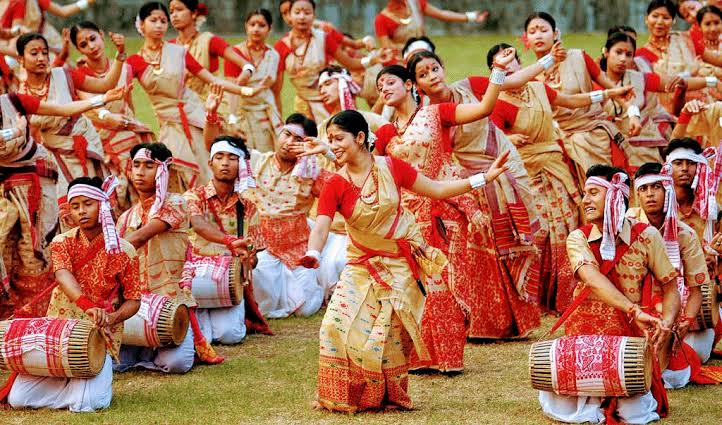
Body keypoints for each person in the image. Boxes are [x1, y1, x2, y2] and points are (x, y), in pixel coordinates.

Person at [298, 109, 509, 412]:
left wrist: (482, 179)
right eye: (330, 139)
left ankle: (386, 397)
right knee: (333, 326)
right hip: (361, 265)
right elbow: (321, 224)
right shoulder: (335, 183)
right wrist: (314, 252)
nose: (334, 145)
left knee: (388, 337)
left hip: (400, 264)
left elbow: (436, 189)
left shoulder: (391, 167)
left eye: (339, 138)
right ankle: (342, 394)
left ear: (360, 138)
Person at [385, 54, 541, 345]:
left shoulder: (443, 108)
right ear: (414, 84)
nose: (432, 75)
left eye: (435, 68)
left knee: (502, 244)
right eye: (423, 73)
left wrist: (504, 70)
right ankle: (462, 326)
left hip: (481, 176)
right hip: (451, 187)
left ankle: (503, 320)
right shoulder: (409, 122)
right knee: (470, 256)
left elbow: (486, 108)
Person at [486, 44, 637, 313]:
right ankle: (538, 297)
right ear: (494, 73)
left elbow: (572, 101)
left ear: (521, 66)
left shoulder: (539, 89)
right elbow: (488, 138)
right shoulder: (496, 103)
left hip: (555, 164)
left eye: (513, 65)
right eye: (503, 67)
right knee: (541, 228)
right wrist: (508, 138)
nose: (510, 70)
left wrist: (610, 93)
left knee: (568, 220)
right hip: (524, 171)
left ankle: (566, 293)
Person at [538, 165, 680, 425]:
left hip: (628, 348)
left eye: (593, 193)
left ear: (615, 197)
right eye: (584, 193)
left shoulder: (647, 237)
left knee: (634, 412)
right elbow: (592, 278)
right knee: (571, 408)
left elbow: (671, 287)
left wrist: (667, 326)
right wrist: (634, 310)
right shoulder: (577, 238)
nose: (585, 200)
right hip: (585, 343)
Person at [3, 175, 143, 412]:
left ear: (103, 204)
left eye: (88, 204)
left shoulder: (125, 251)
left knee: (86, 404)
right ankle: (73, 390)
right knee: (18, 399)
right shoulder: (62, 242)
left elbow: (134, 300)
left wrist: (112, 318)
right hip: (59, 332)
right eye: (75, 206)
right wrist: (88, 305)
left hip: (99, 336)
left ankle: (77, 391)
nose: (81, 211)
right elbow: (63, 276)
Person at [0, 87, 126, 319]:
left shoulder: (13, 102)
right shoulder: (15, 120)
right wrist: (15, 131)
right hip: (4, 184)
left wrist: (101, 98)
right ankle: (11, 317)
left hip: (37, 177)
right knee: (6, 247)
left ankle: (40, 312)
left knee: (34, 249)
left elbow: (60, 109)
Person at [127, 2, 264, 192]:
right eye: (153, 20)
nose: (160, 25)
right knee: (174, 165)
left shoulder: (180, 51)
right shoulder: (134, 60)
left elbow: (211, 79)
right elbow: (117, 89)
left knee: (206, 165)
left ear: (193, 14)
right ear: (141, 24)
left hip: (197, 113)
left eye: (163, 21)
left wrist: (246, 90)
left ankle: (214, 211)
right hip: (169, 121)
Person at [115, 142, 221, 372]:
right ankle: (145, 351)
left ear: (163, 171)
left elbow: (142, 236)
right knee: (117, 362)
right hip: (136, 305)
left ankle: (151, 352)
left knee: (177, 363)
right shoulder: (125, 218)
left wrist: (108, 249)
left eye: (149, 166)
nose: (141, 172)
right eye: (136, 165)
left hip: (171, 302)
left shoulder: (176, 203)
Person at [16, 32, 126, 226]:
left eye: (45, 52)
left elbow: (106, 84)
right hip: (56, 155)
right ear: (21, 59)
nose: (41, 58)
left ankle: (107, 248)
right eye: (34, 53)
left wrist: (120, 55)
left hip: (85, 146)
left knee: (97, 202)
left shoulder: (63, 75)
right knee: (68, 209)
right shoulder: (21, 96)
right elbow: (30, 132)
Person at [629, 162, 719, 388]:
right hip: (632, 308)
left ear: (667, 190)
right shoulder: (625, 226)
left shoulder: (684, 235)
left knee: (677, 376)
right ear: (637, 193)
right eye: (644, 189)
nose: (650, 194)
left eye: (656, 187)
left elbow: (696, 289)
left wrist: (686, 323)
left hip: (669, 309)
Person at [184, 134, 273, 341]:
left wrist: (250, 260)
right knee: (203, 334)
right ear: (210, 162)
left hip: (229, 281)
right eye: (220, 157)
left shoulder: (248, 207)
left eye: (232, 158)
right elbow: (198, 224)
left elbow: (254, 254)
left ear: (241, 166)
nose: (225, 163)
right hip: (195, 276)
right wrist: (230, 242)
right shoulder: (193, 196)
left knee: (230, 335)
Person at [237, 113, 325, 319]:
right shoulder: (256, 161)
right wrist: (211, 117)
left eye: (298, 140)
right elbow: (220, 150)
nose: (289, 142)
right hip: (261, 249)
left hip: (297, 248)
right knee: (262, 305)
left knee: (306, 309)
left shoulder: (312, 171)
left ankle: (315, 281)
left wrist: (325, 152)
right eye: (286, 135)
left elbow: (342, 189)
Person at [525, 12, 631, 176]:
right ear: (527, 39)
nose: (538, 35)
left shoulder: (577, 57)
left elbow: (616, 91)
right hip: (559, 138)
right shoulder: (529, 77)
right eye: (532, 32)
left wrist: (633, 113)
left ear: (555, 34)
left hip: (594, 132)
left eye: (543, 30)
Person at [70, 20, 155, 212]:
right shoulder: (81, 75)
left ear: (101, 34)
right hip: (102, 139)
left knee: (145, 177)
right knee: (118, 190)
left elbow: (128, 103)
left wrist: (132, 123)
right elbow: (95, 107)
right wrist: (107, 116)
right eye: (83, 44)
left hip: (129, 131)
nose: (91, 46)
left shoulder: (124, 67)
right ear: (78, 50)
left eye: (93, 38)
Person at [600, 31, 711, 170]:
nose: (623, 59)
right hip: (606, 136)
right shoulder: (594, 80)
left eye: (628, 55)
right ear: (606, 52)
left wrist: (711, 81)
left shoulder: (639, 78)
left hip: (641, 136)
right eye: (618, 52)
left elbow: (676, 83)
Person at [273, 0, 390, 122]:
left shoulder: (323, 37)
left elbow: (349, 62)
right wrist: (278, 120)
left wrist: (373, 59)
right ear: (290, 16)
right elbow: (276, 90)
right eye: (297, 12)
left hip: (331, 100)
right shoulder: (281, 46)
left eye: (307, 12)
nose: (302, 17)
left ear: (314, 16)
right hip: (304, 103)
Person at [636, 0, 722, 112]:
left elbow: (717, 60)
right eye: (655, 16)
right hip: (669, 113)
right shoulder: (641, 55)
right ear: (646, 19)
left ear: (673, 21)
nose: (660, 22)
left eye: (666, 18)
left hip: (704, 104)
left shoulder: (685, 40)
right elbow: (664, 84)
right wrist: (691, 73)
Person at [168, 0, 255, 102]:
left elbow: (246, 64)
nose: (174, 15)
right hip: (183, 106)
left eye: (179, 10)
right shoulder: (169, 46)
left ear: (194, 13)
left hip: (213, 104)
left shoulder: (209, 41)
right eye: (171, 12)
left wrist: (247, 72)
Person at [223, 8, 281, 153]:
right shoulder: (235, 53)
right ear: (246, 26)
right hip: (241, 112)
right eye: (252, 24)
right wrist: (233, 119)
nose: (256, 29)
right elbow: (231, 89)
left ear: (269, 28)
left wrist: (279, 120)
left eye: (261, 25)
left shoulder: (273, 55)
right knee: (243, 155)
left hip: (266, 112)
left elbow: (275, 90)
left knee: (268, 154)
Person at [374, 0, 487, 60]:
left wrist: (471, 16)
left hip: (425, 55)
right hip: (401, 61)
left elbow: (442, 14)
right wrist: (413, 50)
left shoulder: (416, 3)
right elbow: (387, 48)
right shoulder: (381, 19)